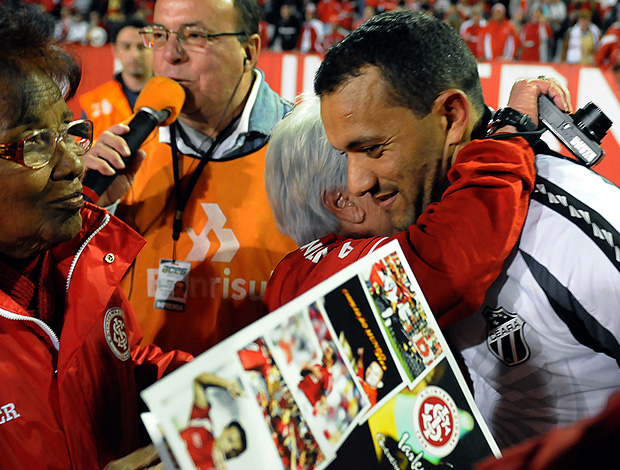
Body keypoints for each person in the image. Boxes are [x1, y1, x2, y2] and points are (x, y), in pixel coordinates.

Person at [267, 9, 620, 450]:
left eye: (373, 149)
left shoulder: (568, 224)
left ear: (451, 116)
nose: (357, 181)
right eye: (346, 156)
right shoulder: (409, 230)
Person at [0, 3, 192, 469]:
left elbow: (127, 365)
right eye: (35, 143)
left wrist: (241, 380)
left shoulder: (78, 259)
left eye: (68, 133)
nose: (71, 164)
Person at [83, 0, 298, 356]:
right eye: (160, 35)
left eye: (194, 35)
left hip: (250, 396)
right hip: (134, 391)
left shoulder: (309, 149)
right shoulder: (126, 144)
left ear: (249, 50)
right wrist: (87, 212)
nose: (170, 54)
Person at [79, 16, 154, 140]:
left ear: (155, 50)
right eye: (126, 46)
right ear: (116, 51)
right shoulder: (93, 102)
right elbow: (81, 154)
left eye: (142, 47)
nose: (135, 54)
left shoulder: (172, 99)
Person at [180, 372, 247, 470]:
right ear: (224, 429)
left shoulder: (215, 468)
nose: (228, 448)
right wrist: (228, 384)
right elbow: (199, 382)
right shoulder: (203, 423)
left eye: (234, 451)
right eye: (229, 440)